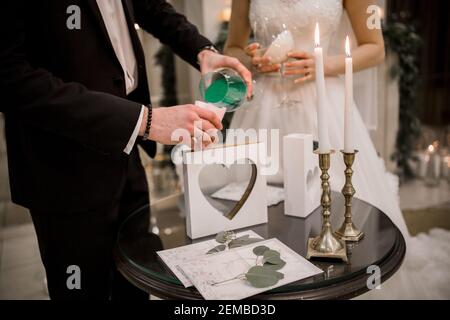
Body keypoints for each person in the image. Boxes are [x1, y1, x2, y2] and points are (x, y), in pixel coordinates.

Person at [0, 0, 251, 299]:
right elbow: (8, 78)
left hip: (127, 149)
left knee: (135, 284)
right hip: (63, 165)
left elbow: (152, 7)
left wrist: (202, 51)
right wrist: (145, 120)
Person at [224, 0, 410, 240]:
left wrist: (323, 63)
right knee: (256, 208)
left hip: (323, 101)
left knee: (331, 203)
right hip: (263, 107)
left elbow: (375, 49)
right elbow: (232, 48)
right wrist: (252, 60)